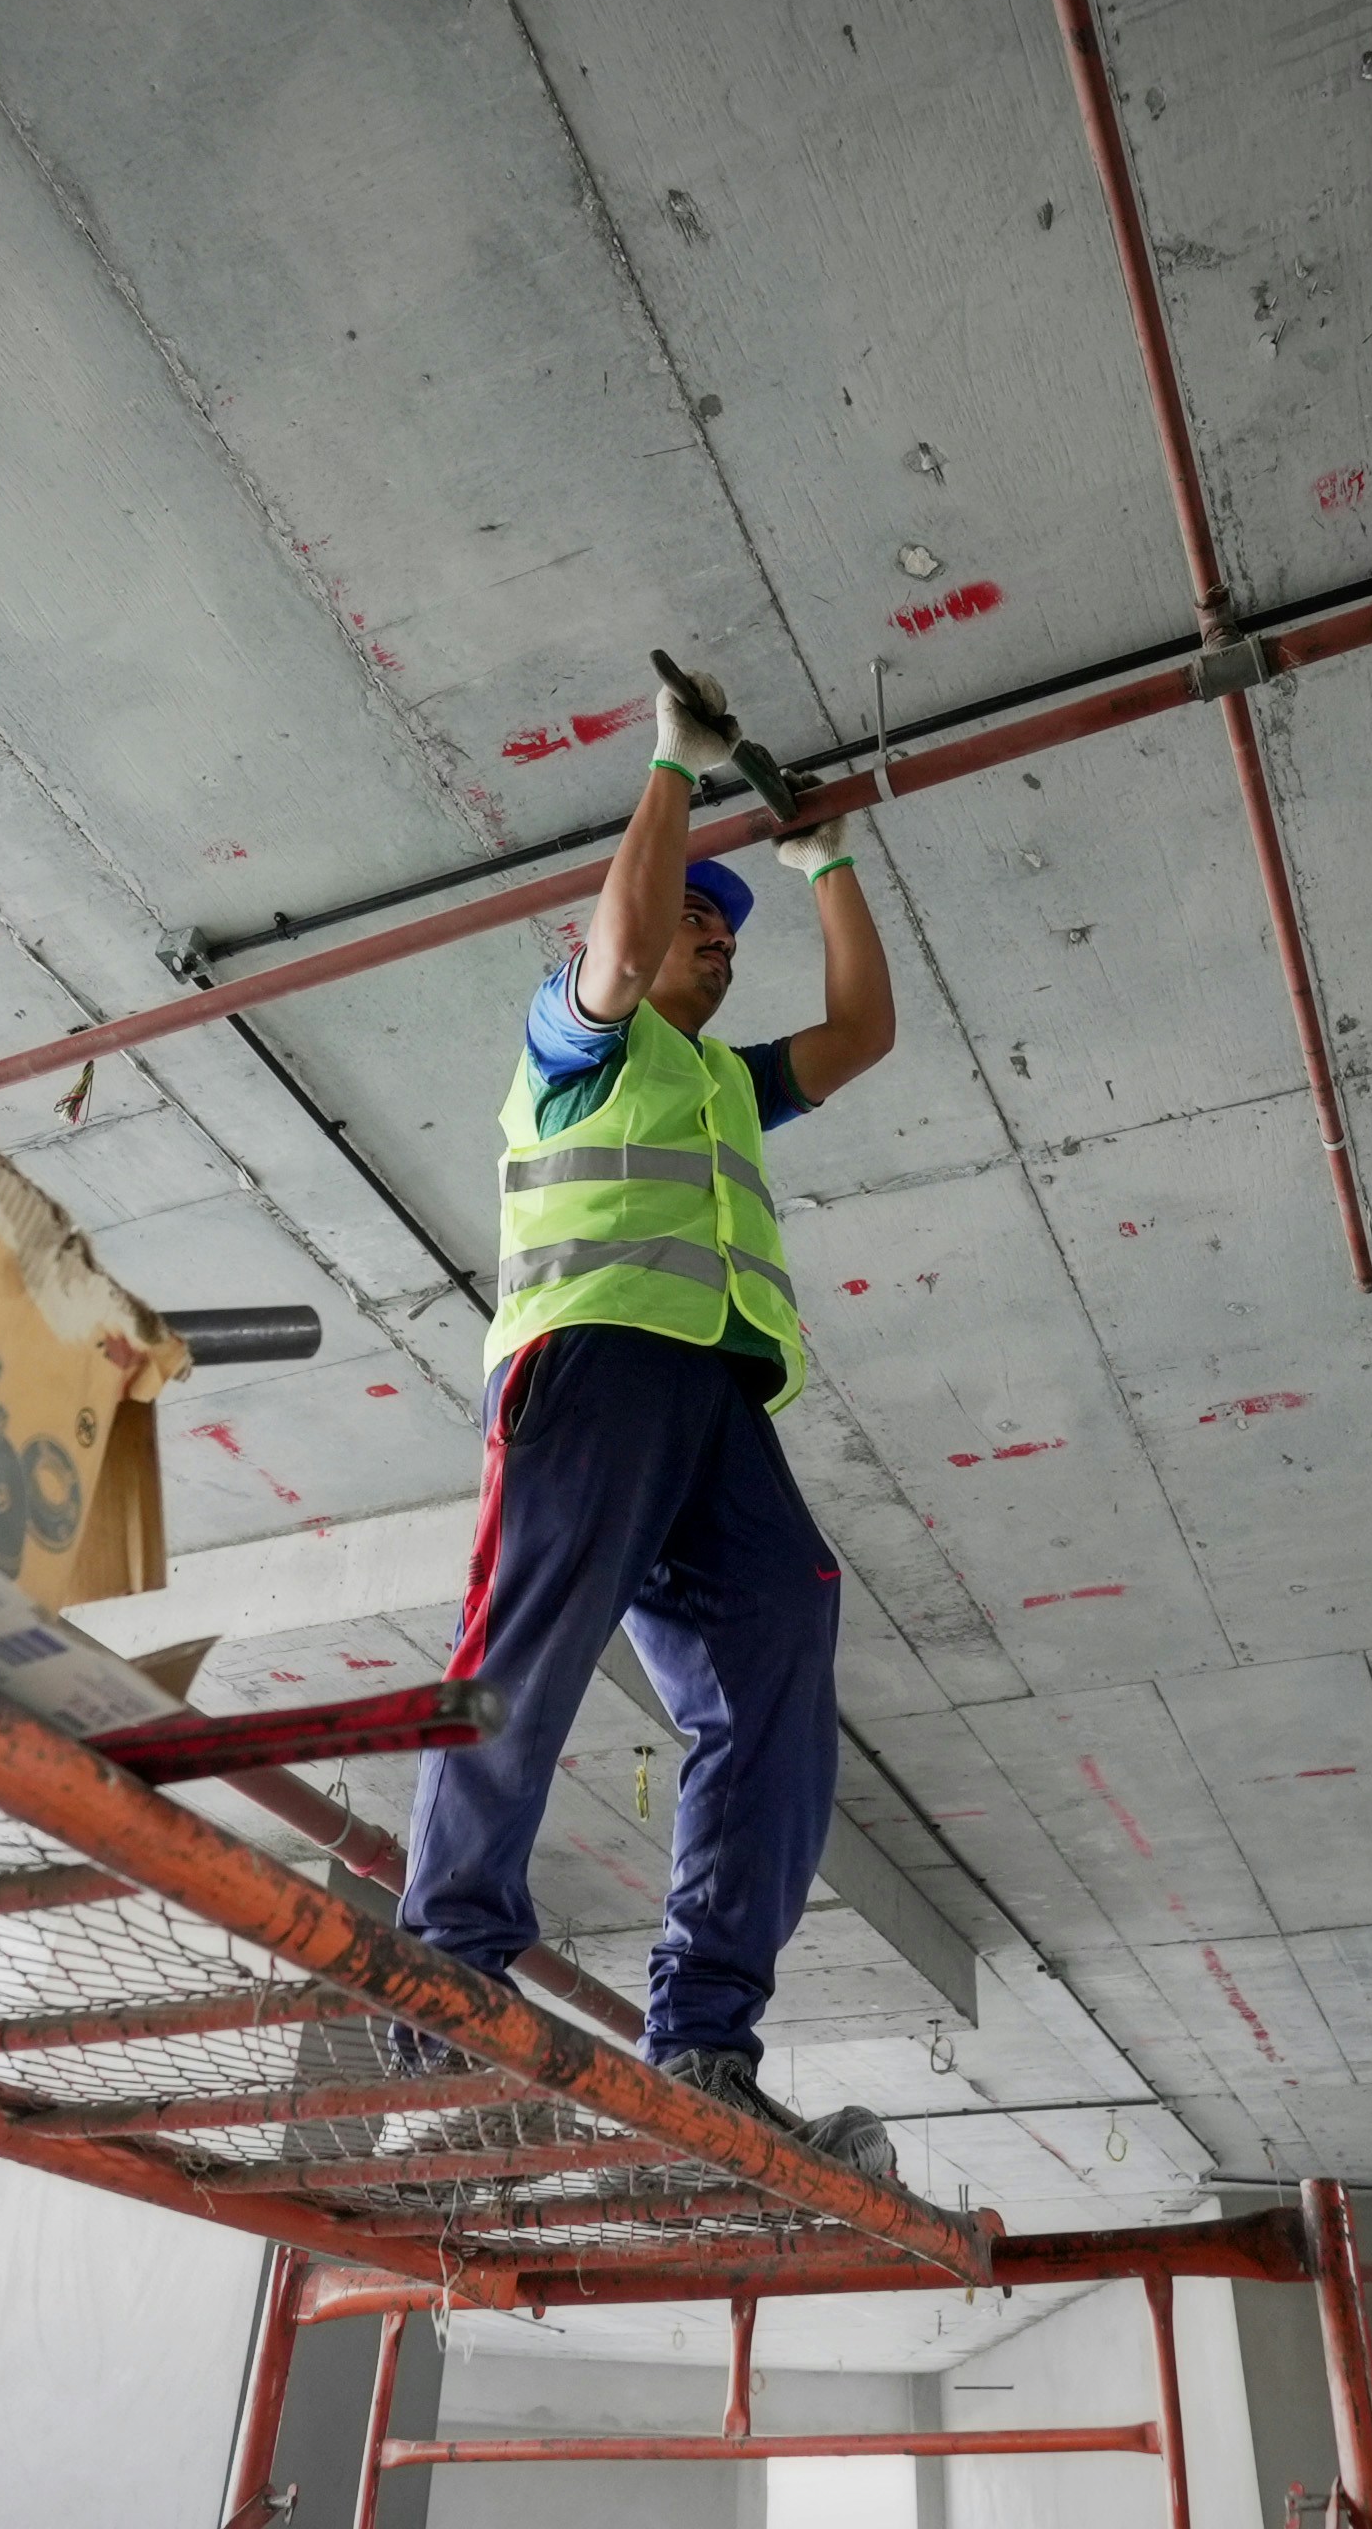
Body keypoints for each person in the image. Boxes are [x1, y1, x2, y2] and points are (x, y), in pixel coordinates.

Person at [398, 665, 902, 2175]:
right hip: (594, 1370)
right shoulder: (575, 1046)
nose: (717, 943)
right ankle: (448, 1967)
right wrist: (673, 771)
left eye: (730, 935)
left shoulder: (728, 1085)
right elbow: (617, 947)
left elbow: (864, 1031)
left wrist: (826, 864)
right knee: (535, 1640)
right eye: (697, 917)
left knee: (781, 1645)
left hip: (720, 1401)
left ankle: (704, 2040)